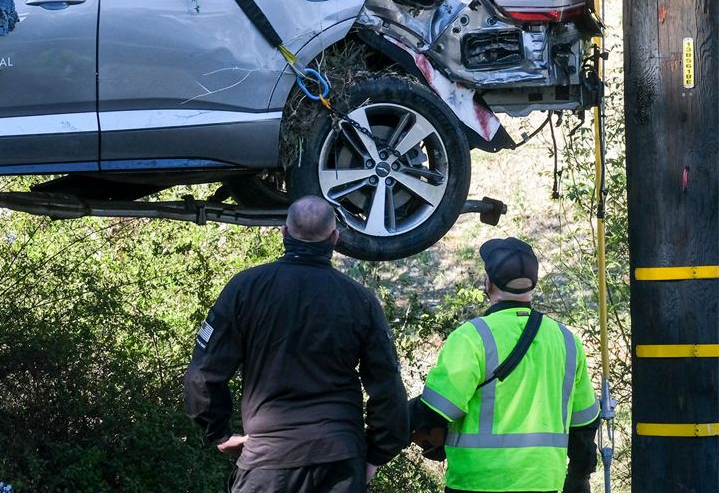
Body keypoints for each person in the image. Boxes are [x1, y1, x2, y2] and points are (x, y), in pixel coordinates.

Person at [184, 196, 408, 493]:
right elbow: (387, 386)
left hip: (266, 459)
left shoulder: (245, 288)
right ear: (334, 238)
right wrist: (377, 454)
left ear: (284, 233)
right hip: (339, 460)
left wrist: (219, 433)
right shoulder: (360, 300)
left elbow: (202, 374)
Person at [414, 237, 600, 493]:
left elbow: (438, 409)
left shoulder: (472, 336)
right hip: (543, 482)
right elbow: (584, 423)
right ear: (533, 284)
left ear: (487, 283)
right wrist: (580, 476)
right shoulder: (567, 341)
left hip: (476, 482)